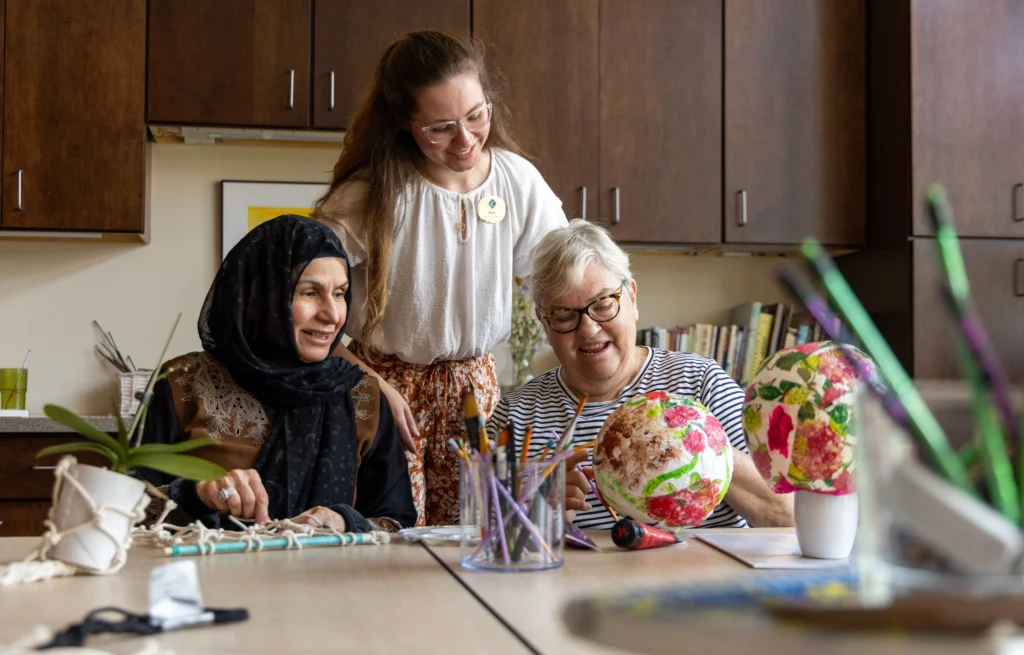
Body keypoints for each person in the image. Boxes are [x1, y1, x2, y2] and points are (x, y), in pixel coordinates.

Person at [314, 30, 567, 526]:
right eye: (441, 127)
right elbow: (294, 303)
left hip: (475, 390)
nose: (467, 139)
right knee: (389, 537)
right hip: (379, 385)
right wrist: (365, 381)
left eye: (477, 115)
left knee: (474, 537)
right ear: (405, 123)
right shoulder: (371, 194)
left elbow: (565, 275)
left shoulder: (516, 181)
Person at [487, 220, 794, 529]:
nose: (589, 328)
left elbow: (788, 516)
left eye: (604, 303)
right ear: (543, 322)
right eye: (564, 315)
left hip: (704, 577)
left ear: (632, 297)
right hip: (579, 577)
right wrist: (529, 519)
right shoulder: (515, 416)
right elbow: (475, 539)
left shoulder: (702, 383)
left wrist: (700, 449)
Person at [139, 215, 417, 533]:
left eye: (339, 294)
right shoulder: (183, 383)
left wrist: (343, 520)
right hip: (210, 579)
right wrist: (199, 494)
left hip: (331, 580)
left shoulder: (362, 396)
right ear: (259, 299)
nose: (332, 314)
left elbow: (397, 523)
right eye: (310, 293)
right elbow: (124, 510)